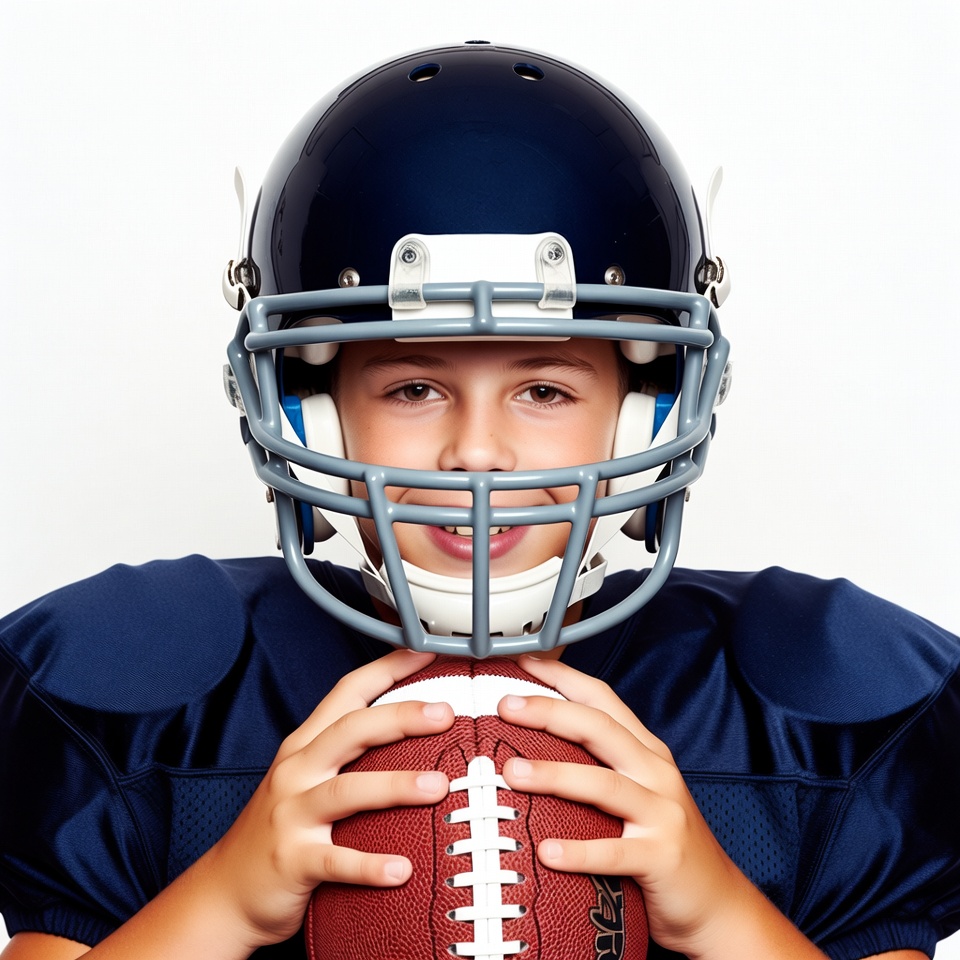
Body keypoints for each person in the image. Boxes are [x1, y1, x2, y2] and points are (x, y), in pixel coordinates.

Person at [1, 41, 958, 960]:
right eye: (413, 389)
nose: (479, 456)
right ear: (313, 420)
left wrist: (721, 914)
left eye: (546, 391)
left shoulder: (807, 707)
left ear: (644, 418)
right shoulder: (154, 692)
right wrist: (221, 898)